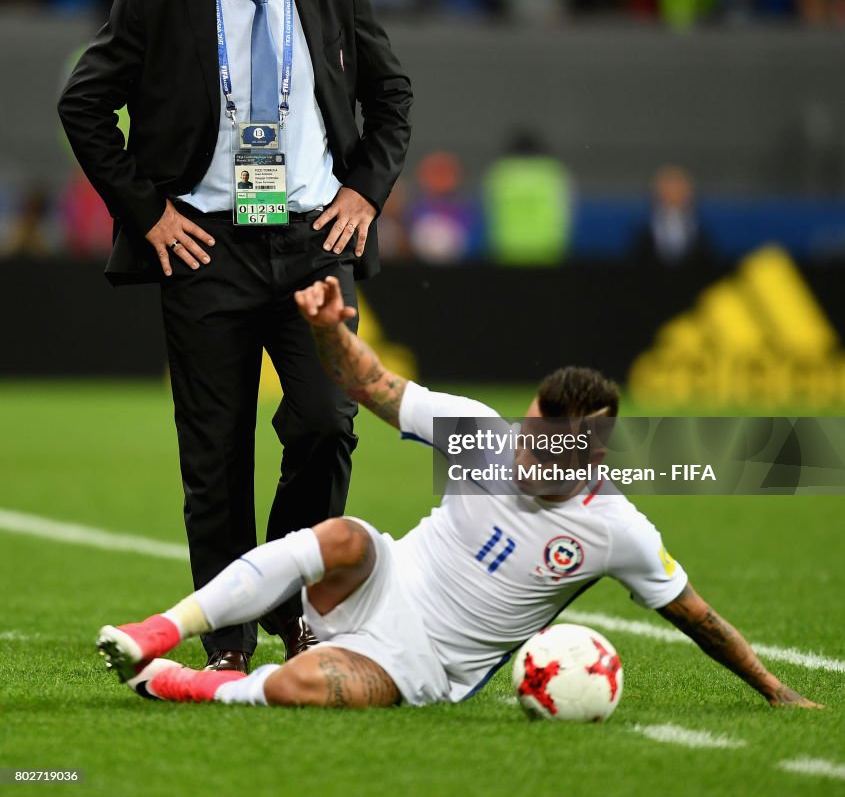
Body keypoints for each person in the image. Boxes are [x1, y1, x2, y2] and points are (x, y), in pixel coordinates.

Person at [96, 277, 819, 711]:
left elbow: (697, 616)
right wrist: (325, 331)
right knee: (344, 533)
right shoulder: (484, 436)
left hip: (424, 666)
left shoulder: (616, 529)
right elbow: (370, 385)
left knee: (297, 689)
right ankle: (156, 632)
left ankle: (175, 683)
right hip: (375, 587)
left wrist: (772, 688)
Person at [59, 0, 412, 674]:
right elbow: (83, 102)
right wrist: (147, 214)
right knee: (215, 454)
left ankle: (291, 602)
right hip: (204, 247)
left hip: (312, 241)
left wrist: (362, 193)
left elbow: (390, 96)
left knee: (327, 424)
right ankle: (228, 641)